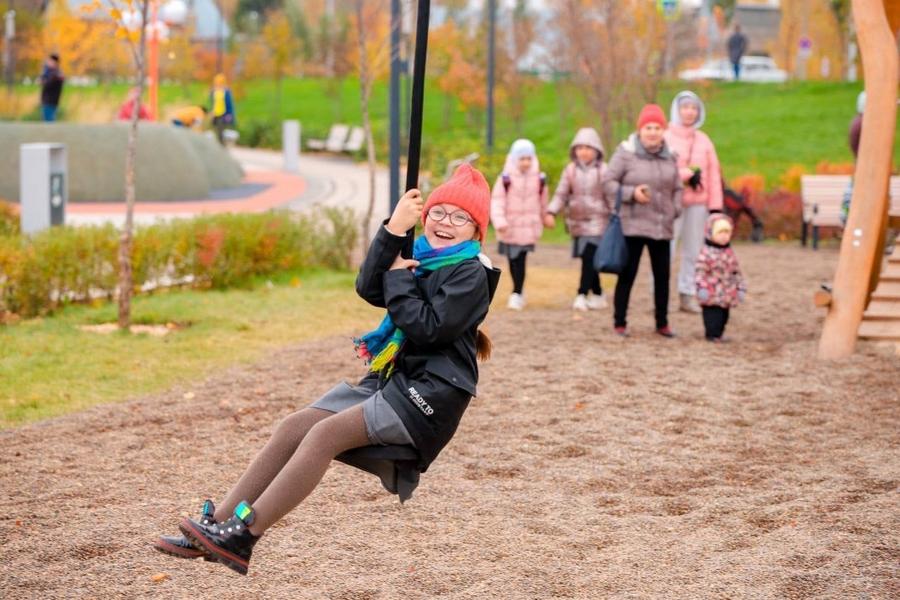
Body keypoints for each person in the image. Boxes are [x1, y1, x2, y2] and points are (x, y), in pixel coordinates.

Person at [155, 164, 497, 575]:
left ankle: (245, 534)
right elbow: (370, 287)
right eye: (439, 212)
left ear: (477, 231)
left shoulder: (470, 273)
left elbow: (428, 329)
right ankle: (217, 526)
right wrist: (392, 232)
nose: (446, 223)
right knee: (295, 426)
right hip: (394, 380)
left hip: (432, 394)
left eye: (460, 218)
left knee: (323, 436)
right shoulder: (419, 257)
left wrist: (399, 280)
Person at [603, 104, 682, 338]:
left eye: (657, 127)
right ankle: (620, 322)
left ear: (663, 130)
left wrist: (675, 209)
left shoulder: (670, 156)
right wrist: (631, 193)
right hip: (632, 225)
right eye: (648, 127)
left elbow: (678, 187)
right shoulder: (625, 153)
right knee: (627, 275)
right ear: (640, 129)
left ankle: (662, 323)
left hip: (661, 225)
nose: (653, 132)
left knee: (663, 278)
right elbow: (608, 182)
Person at [665, 91, 723, 314]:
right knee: (666, 250)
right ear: (677, 110)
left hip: (698, 204)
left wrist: (715, 207)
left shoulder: (704, 140)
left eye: (694, 108)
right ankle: (660, 295)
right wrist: (684, 175)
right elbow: (661, 171)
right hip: (673, 202)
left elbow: (714, 175)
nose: (689, 112)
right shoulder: (666, 137)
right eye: (685, 107)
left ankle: (687, 293)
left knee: (693, 250)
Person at [547, 128, 610, 311]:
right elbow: (561, 194)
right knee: (588, 259)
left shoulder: (604, 171)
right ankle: (598, 294)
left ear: (597, 149)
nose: (584, 151)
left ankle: (581, 294)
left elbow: (611, 195)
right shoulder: (571, 170)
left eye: (588, 147)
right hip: (577, 222)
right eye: (580, 147)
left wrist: (618, 219)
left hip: (599, 221)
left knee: (588, 258)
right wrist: (551, 212)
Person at [491, 138, 553, 310]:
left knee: (522, 259)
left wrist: (546, 216)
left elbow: (543, 202)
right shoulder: (505, 179)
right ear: (514, 159)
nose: (526, 162)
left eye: (529, 158)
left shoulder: (539, 179)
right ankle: (517, 290)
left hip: (528, 227)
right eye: (522, 158)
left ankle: (517, 292)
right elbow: (497, 201)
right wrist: (500, 221)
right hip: (510, 227)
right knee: (512, 260)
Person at [695, 214, 746, 342]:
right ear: (710, 233)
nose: (724, 236)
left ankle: (719, 333)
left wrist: (740, 288)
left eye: (727, 233)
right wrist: (701, 287)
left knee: (724, 316)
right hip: (711, 292)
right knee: (712, 316)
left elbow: (736, 271)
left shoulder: (729, 252)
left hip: (727, 293)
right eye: (720, 233)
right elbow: (700, 272)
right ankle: (712, 334)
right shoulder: (706, 253)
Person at [209, 73, 236, 145]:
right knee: (216, 130)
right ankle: (218, 144)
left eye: (219, 82)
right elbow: (213, 103)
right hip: (215, 114)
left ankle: (221, 146)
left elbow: (229, 104)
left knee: (221, 130)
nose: (218, 83)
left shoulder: (226, 91)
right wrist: (212, 111)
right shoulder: (214, 91)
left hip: (223, 114)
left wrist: (230, 114)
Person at [39, 54, 65, 122]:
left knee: (49, 121)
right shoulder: (48, 72)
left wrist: (43, 81)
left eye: (50, 61)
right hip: (47, 100)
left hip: (51, 100)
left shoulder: (56, 73)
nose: (48, 63)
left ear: (55, 62)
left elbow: (47, 84)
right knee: (47, 120)